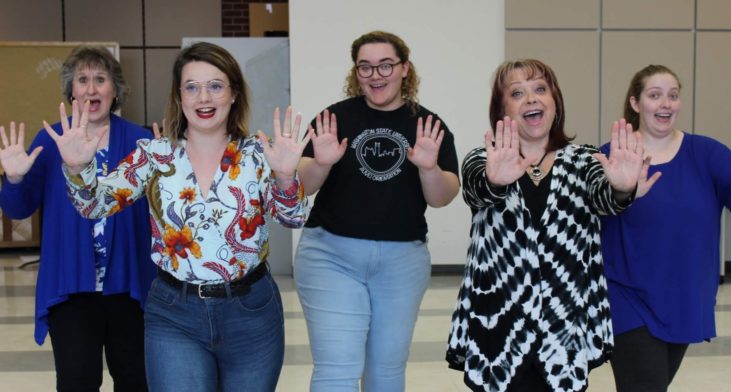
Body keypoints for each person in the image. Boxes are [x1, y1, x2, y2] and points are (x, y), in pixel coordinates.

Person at [47, 42, 308, 391]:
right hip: (175, 313)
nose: (204, 98)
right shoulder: (155, 155)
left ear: (233, 94)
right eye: (192, 87)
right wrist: (78, 168)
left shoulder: (257, 154)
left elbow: (292, 219)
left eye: (215, 86)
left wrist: (286, 177)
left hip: (251, 312)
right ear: (179, 96)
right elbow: (93, 206)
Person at [446, 58, 648, 392]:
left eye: (540, 89)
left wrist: (623, 188)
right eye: (517, 93)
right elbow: (476, 190)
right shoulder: (484, 159)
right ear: (502, 110)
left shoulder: (584, 160)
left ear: (555, 102)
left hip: (563, 328)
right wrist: (495, 181)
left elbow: (605, 200)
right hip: (499, 328)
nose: (531, 98)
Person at [600, 64, 731, 392]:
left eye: (673, 95)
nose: (666, 103)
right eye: (655, 95)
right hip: (626, 295)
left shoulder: (707, 153)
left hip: (684, 296)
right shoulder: (612, 155)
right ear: (635, 103)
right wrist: (621, 188)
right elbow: (593, 207)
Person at [294, 30, 460, 391]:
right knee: (337, 369)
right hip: (330, 256)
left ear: (404, 68)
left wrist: (429, 168)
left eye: (386, 65)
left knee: (386, 371)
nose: (376, 75)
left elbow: (442, 196)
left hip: (402, 261)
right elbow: (302, 185)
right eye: (365, 67)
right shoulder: (333, 119)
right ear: (356, 73)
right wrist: (321, 163)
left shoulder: (428, 126)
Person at [0, 46, 154, 391]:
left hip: (130, 287)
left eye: (101, 79)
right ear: (71, 90)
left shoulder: (140, 140)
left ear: (115, 90)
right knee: (76, 383)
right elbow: (18, 209)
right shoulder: (51, 140)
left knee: (137, 382)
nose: (91, 89)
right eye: (82, 80)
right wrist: (14, 179)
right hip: (70, 288)